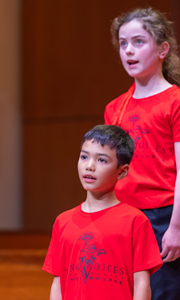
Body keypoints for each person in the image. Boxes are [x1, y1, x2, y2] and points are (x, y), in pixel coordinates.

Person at [105, 7, 180, 300]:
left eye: (138, 42)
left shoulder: (178, 103)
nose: (129, 51)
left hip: (163, 217)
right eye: (123, 43)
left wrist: (176, 228)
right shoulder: (114, 108)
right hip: (123, 215)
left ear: (162, 49)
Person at [43, 125, 163, 300]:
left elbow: (141, 283)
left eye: (102, 160)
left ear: (122, 171)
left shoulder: (135, 221)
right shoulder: (63, 221)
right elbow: (58, 282)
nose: (89, 166)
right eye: (84, 157)